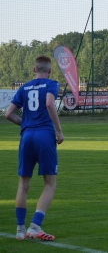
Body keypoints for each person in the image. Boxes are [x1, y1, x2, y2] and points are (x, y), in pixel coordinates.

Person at [5, 55, 64, 241]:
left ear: (33, 69)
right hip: (45, 135)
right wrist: (59, 131)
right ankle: (34, 227)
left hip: (27, 135)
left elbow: (8, 114)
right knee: (49, 183)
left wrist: (25, 124)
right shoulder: (51, 83)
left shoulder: (23, 87)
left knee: (23, 184)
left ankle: (20, 230)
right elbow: (49, 103)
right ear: (50, 70)